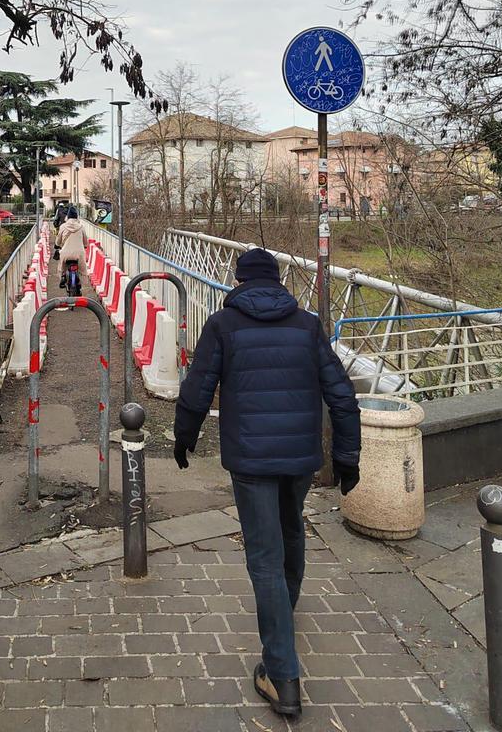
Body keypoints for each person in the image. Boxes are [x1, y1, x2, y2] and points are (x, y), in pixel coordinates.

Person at [173, 247, 360, 721]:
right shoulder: (307, 325)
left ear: (239, 280)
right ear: (277, 282)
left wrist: (184, 436)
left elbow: (199, 386)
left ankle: (282, 673)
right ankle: (284, 614)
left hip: (251, 459)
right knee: (291, 530)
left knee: (263, 557)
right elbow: (341, 391)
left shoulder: (223, 325)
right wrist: (347, 455)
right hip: (299, 459)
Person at [55, 206, 87, 287]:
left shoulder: (63, 226)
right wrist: (85, 246)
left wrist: (57, 245)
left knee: (61, 265)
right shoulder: (81, 227)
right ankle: (81, 283)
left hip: (66, 253)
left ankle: (63, 276)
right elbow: (85, 241)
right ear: (76, 217)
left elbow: (58, 240)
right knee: (82, 269)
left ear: (67, 217)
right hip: (79, 254)